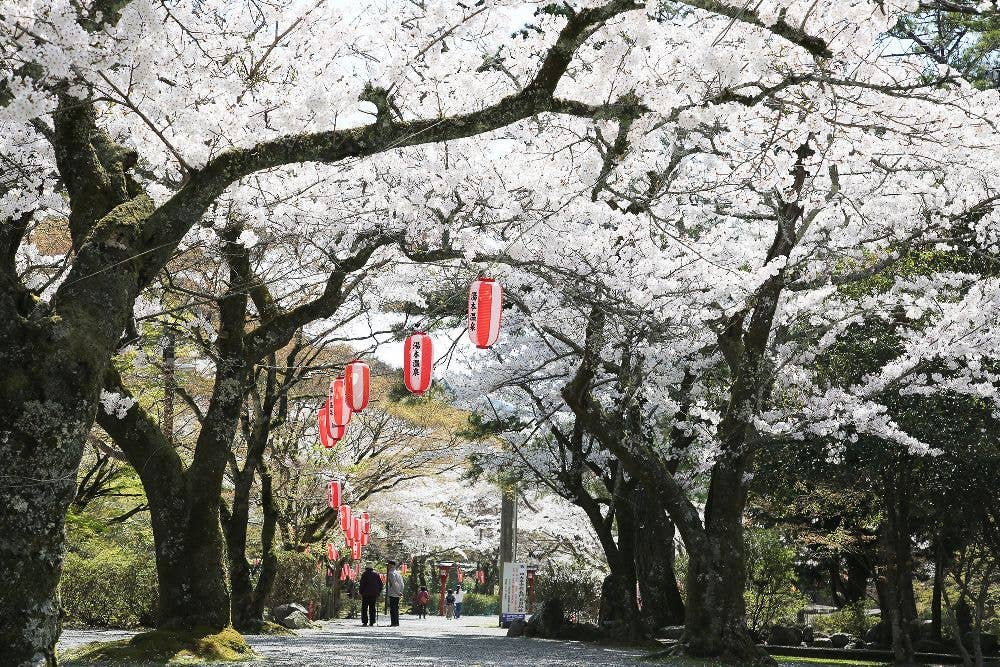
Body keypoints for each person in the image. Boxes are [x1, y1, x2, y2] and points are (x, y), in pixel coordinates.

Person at [386, 560, 405, 626]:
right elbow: (402, 583)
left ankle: (393, 622)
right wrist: (401, 591)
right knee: (396, 608)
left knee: (393, 608)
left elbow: (394, 583)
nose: (388, 566)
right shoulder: (398, 572)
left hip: (393, 592)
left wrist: (397, 592)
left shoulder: (391, 573)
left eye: (389, 565)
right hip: (398, 592)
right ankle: (396, 622)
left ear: (392, 565)